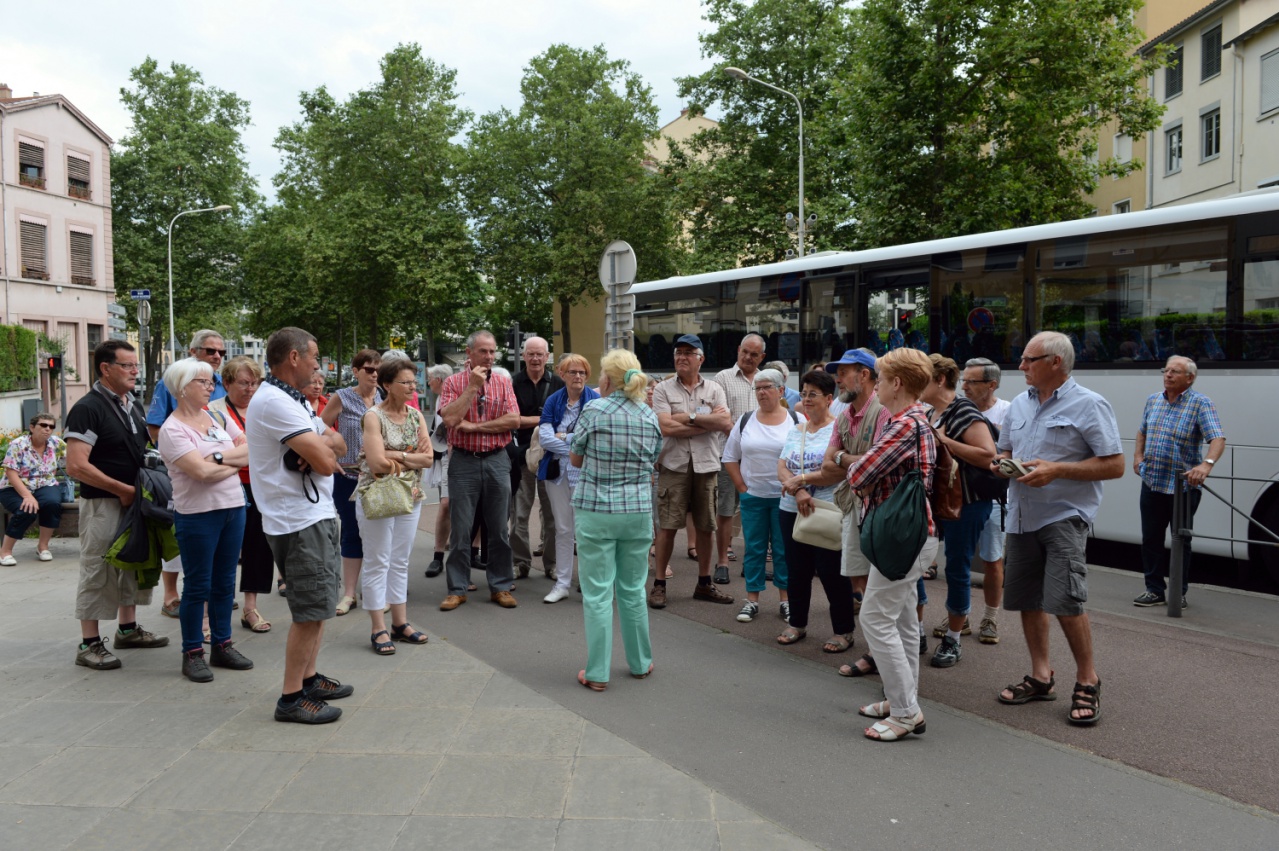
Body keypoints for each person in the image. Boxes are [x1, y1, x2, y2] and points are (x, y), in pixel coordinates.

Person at [992, 331, 1124, 726]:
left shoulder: (1089, 404)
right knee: (1028, 600)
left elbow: (1115, 465)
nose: (1021, 366)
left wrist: (1057, 470)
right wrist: (1002, 464)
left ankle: (1088, 678)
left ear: (1055, 362)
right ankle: (1041, 675)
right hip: (1020, 514)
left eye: (1029, 359)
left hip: (1064, 515)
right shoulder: (1018, 404)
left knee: (1066, 600)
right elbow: (1005, 451)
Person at [247, 327, 352, 724]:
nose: (318, 364)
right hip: (297, 520)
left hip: (311, 514)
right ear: (293, 358)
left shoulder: (293, 400)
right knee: (309, 611)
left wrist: (316, 445)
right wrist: (318, 449)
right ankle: (291, 699)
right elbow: (329, 461)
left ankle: (309, 679)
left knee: (320, 603)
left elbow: (338, 442)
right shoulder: (276, 402)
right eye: (314, 356)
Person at [845, 348, 940, 742]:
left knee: (875, 618)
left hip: (902, 539)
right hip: (914, 536)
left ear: (897, 383)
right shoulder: (918, 420)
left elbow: (859, 472)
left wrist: (848, 461)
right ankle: (901, 698)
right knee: (901, 620)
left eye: (881, 379)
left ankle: (904, 712)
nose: (877, 385)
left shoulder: (903, 425)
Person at [65, 340, 170, 670]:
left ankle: (127, 629)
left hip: (133, 502)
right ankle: (89, 643)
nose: (134, 371)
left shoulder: (132, 404)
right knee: (97, 568)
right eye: (127, 366)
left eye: (135, 365)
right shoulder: (87, 408)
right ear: (105, 369)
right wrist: (122, 489)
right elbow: (76, 465)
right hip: (103, 505)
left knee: (132, 564)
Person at [569, 349, 663, 691]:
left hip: (596, 511)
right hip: (636, 513)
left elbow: (576, 459)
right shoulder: (649, 416)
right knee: (633, 590)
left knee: (597, 594)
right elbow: (653, 460)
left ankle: (596, 673)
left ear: (607, 379)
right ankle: (640, 663)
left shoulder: (594, 410)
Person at [157, 358, 253, 682]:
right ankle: (193, 652)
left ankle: (222, 644)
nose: (210, 387)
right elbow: (199, 473)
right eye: (203, 382)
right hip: (198, 515)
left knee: (225, 583)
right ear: (182, 387)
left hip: (233, 507)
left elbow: (249, 450)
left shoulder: (217, 415)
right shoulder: (172, 430)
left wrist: (218, 458)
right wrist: (229, 462)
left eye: (211, 382)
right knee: (198, 586)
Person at [920, 354, 998, 669]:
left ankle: (952, 639)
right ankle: (918, 632)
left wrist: (944, 440)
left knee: (957, 568)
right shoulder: (928, 411)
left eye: (922, 378)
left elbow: (987, 455)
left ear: (939, 380)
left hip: (965, 502)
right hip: (936, 500)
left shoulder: (963, 410)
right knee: (916, 563)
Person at [1132, 355, 1225, 607]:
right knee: (1150, 538)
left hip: (1183, 486)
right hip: (1152, 482)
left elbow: (1217, 438)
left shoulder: (1200, 403)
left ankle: (1177, 593)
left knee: (1180, 540)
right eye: (1166, 370)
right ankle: (1154, 589)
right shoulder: (1153, 400)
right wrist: (1138, 456)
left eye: (1175, 371)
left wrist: (1206, 465)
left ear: (1190, 378)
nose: (1168, 375)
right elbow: (1142, 430)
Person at [438, 330, 520, 611]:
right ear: (469, 353)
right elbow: (449, 418)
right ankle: (457, 588)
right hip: (464, 461)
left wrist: (474, 426)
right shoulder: (453, 383)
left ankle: (500, 586)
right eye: (483, 351)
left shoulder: (502, 383)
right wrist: (472, 387)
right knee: (461, 529)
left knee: (498, 529)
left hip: (497, 459)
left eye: (492, 351)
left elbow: (513, 420)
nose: (489, 357)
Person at [649, 334, 734, 608]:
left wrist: (690, 418)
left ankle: (704, 583)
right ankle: (659, 584)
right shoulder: (663, 389)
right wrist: (706, 424)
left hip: (707, 466)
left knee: (706, 527)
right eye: (678, 352)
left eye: (688, 352)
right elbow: (665, 427)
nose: (682, 357)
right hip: (673, 465)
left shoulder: (714, 389)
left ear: (701, 358)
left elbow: (725, 422)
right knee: (667, 527)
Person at [355, 357, 433, 655]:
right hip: (376, 494)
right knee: (377, 560)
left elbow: (428, 458)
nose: (413, 386)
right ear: (387, 385)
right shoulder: (373, 416)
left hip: (410, 494)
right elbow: (374, 463)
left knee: (400, 559)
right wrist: (408, 454)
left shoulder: (416, 416)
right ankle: (378, 627)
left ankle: (400, 623)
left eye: (414, 381)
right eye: (406, 382)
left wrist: (395, 455)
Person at [148, 330, 228, 619]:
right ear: (193, 352)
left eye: (221, 352)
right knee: (176, 529)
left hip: (220, 481)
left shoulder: (221, 384)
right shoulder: (171, 382)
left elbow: (241, 441)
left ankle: (211, 599)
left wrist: (218, 458)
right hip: (182, 467)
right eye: (210, 351)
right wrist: (183, 455)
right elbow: (156, 426)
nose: (217, 356)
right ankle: (171, 593)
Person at [775, 370, 857, 652]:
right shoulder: (797, 429)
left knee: (833, 572)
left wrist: (803, 482)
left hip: (827, 508)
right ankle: (797, 623)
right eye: (804, 393)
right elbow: (782, 466)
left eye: (813, 394)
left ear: (829, 399)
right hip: (791, 508)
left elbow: (836, 472)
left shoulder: (839, 430)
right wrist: (797, 491)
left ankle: (843, 631)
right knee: (796, 570)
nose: (806, 399)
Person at [722, 369, 798, 623]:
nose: (761, 392)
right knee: (753, 549)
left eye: (767, 387)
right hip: (753, 496)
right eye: (757, 388)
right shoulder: (746, 420)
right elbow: (729, 457)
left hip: (785, 498)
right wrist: (742, 488)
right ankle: (751, 601)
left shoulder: (796, 420)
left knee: (783, 549)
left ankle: (786, 601)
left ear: (780, 390)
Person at [207, 356, 274, 632]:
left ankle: (250, 607)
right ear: (227, 383)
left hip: (261, 484)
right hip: (228, 485)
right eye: (244, 383)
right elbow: (214, 454)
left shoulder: (265, 408)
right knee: (223, 549)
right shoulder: (213, 410)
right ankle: (211, 612)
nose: (250, 388)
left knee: (259, 546)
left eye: (255, 383)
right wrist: (240, 456)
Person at [320, 349, 382, 615]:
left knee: (378, 533)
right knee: (351, 532)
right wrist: (330, 457)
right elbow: (319, 428)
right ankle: (348, 593)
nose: (375, 374)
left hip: (377, 476)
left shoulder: (383, 396)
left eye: (378, 369)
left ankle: (375, 589)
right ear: (356, 371)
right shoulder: (342, 397)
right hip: (348, 476)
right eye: (369, 369)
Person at [538, 354, 599, 604]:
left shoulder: (595, 400)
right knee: (563, 529)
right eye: (573, 372)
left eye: (582, 373)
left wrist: (563, 438)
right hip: (556, 474)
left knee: (586, 530)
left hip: (585, 473)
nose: (578, 377)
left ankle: (588, 583)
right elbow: (544, 437)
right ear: (562, 375)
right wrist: (573, 443)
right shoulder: (554, 400)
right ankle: (562, 584)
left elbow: (594, 439)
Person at [961, 357, 1012, 643]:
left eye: (971, 381)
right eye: (963, 380)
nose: (964, 386)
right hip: (961, 494)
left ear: (991, 385)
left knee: (993, 559)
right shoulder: (957, 408)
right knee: (961, 558)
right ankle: (960, 613)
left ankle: (990, 617)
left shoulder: (1008, 411)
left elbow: (1013, 451)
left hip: (993, 498)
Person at [711, 334, 766, 584]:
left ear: (762, 357)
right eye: (745, 352)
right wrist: (743, 439)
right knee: (725, 509)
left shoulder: (766, 381)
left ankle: (750, 563)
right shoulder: (722, 378)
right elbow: (720, 417)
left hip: (758, 459)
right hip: (728, 456)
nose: (748, 357)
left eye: (754, 354)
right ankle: (722, 562)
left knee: (754, 511)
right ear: (738, 350)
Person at [511, 336, 563, 581]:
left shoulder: (558, 384)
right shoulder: (511, 383)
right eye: (530, 354)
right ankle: (520, 562)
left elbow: (564, 420)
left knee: (552, 514)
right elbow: (511, 420)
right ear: (523, 356)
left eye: (539, 354)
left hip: (550, 458)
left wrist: (526, 420)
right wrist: (544, 421)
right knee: (519, 514)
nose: (534, 358)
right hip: (520, 457)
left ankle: (551, 564)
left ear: (547, 356)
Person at [0, 412, 65, 564]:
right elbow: (10, 472)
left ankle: (43, 547)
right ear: (32, 427)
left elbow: (73, 455)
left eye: (51, 426)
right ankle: (5, 551)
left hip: (44, 484)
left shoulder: (56, 443)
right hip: (13, 486)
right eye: (43, 425)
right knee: (26, 509)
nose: (47, 429)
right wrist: (27, 496)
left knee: (52, 503)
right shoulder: (18, 444)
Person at [425, 363, 454, 578]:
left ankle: (472, 551)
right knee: (445, 504)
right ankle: (438, 555)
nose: (428, 383)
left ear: (439, 380)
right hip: (445, 455)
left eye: (430, 379)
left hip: (455, 455)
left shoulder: (451, 396)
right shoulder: (438, 398)